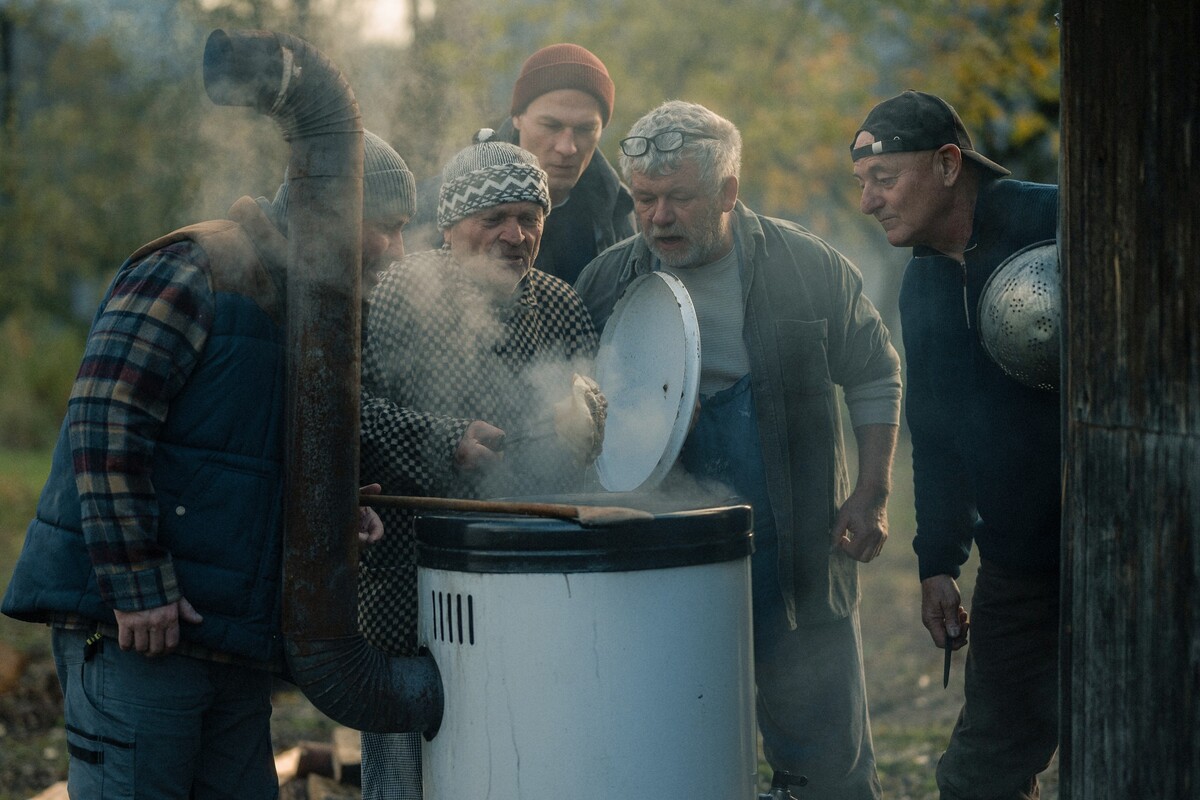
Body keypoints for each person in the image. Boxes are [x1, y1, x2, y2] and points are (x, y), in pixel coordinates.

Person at [0, 130, 415, 799]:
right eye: (385, 229)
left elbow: (247, 454)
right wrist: (137, 583)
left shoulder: (314, 313)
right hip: (138, 631)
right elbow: (105, 421)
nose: (395, 250)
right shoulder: (197, 267)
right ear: (332, 215)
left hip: (232, 637)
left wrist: (334, 508)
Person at [574, 100, 902, 799]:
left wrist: (871, 494)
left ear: (728, 192)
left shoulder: (806, 266)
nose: (658, 217)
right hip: (661, 564)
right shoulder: (605, 283)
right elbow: (572, 418)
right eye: (644, 199)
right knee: (673, 752)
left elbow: (875, 372)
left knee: (824, 763)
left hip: (799, 558)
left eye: (679, 198)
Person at [357, 130, 606, 800]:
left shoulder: (559, 303)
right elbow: (352, 414)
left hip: (529, 577)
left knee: (514, 753)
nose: (514, 234)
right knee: (405, 762)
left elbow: (597, 418)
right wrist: (443, 442)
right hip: (407, 575)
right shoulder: (398, 291)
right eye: (493, 218)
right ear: (451, 224)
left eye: (529, 218)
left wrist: (590, 424)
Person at [850, 90, 1060, 800]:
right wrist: (937, 561)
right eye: (862, 184)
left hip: (1133, 541)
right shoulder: (924, 285)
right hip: (1020, 562)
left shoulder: (1058, 219)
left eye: (884, 178)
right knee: (978, 777)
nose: (869, 201)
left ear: (947, 165)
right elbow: (935, 435)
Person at [408, 43, 635, 284]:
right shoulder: (441, 201)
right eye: (551, 125)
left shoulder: (621, 209)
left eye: (585, 129)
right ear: (517, 117)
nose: (567, 147)